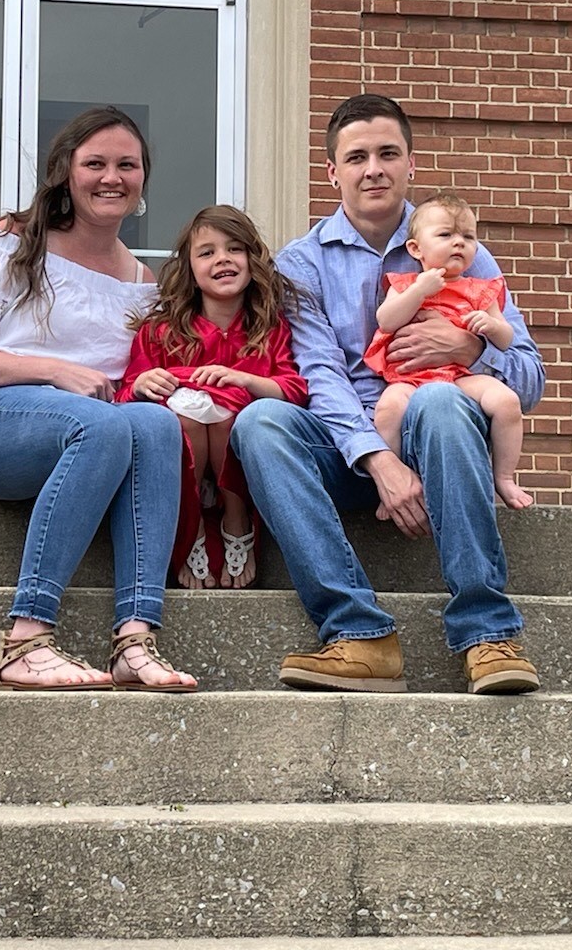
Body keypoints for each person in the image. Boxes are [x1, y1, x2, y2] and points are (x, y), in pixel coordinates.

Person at [230, 94, 545, 695]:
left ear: (409, 163)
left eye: (387, 153)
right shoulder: (302, 263)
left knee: (438, 402)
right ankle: (358, 634)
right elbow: (320, 376)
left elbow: (529, 380)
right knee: (262, 421)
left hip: (443, 439)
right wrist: (380, 462)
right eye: (357, 157)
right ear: (333, 172)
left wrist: (468, 351)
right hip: (350, 449)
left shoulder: (460, 248)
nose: (372, 167)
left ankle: (486, 633)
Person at [0, 106, 197, 694]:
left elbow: (128, 385)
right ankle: (25, 641)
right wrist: (56, 371)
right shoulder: (13, 244)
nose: (112, 177)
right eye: (96, 164)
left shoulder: (143, 282)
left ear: (142, 181)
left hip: (81, 433)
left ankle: (135, 638)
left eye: (127, 165)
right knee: (103, 425)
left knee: (154, 425)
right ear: (65, 172)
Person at [117, 205, 307, 590]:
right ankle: (191, 531)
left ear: (252, 261)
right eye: (207, 252)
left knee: (226, 416)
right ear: (189, 269)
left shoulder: (269, 329)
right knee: (184, 417)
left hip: (236, 454)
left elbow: (293, 390)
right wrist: (143, 384)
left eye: (235, 249)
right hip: (184, 458)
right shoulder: (160, 331)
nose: (222, 259)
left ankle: (236, 519)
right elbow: (126, 394)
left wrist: (244, 379)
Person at [364, 191, 534, 509]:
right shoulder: (404, 284)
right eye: (446, 235)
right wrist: (418, 291)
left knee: (507, 402)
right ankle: (391, 486)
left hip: (459, 378)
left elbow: (507, 338)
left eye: (468, 237)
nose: (459, 243)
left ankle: (505, 477)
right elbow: (386, 320)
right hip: (410, 380)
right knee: (386, 410)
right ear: (415, 248)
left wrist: (490, 325)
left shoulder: (481, 289)